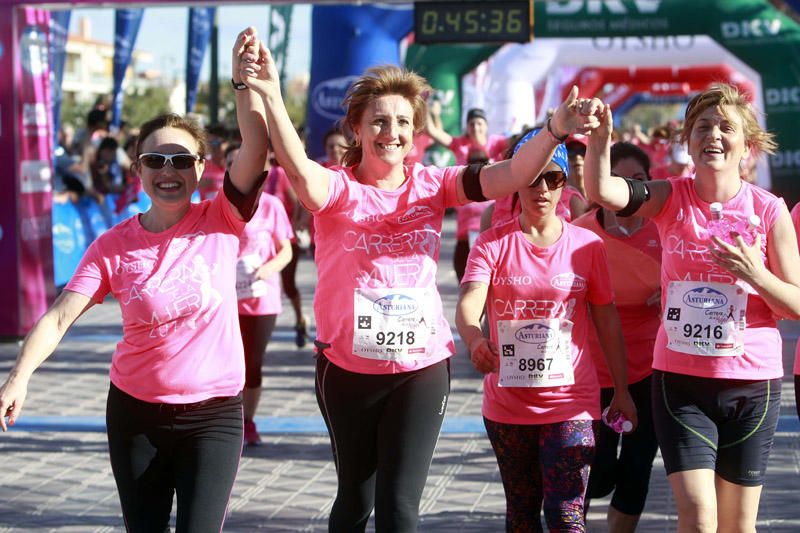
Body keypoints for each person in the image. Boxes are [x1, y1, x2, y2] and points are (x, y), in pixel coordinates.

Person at [238, 29, 602, 530]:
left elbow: (515, 173)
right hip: (347, 369)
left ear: (417, 132)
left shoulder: (435, 184)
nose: (393, 132)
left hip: (421, 367)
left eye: (404, 122)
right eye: (381, 121)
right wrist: (271, 93)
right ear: (359, 129)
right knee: (354, 500)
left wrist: (555, 129)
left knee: (400, 505)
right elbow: (299, 170)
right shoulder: (339, 189)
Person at [0, 28, 270, 531]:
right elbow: (60, 316)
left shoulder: (223, 216)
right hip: (135, 415)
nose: (168, 170)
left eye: (181, 160)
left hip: (212, 416)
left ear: (201, 168)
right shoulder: (112, 246)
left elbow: (256, 145)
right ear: (137, 170)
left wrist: (242, 82)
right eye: (154, 160)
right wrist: (19, 377)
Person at [583, 83, 800, 532]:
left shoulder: (769, 210)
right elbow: (604, 191)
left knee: (737, 526)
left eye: (726, 127)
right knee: (700, 518)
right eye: (703, 127)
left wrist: (756, 274)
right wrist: (600, 139)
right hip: (681, 383)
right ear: (688, 140)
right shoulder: (669, 197)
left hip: (752, 385)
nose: (713, 136)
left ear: (748, 145)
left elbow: (797, 304)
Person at [455, 127, 637, 532]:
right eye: (532, 177)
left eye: (552, 178)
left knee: (567, 515)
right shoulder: (491, 243)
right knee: (522, 514)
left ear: (563, 185)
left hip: (572, 402)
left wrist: (621, 389)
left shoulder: (587, 247)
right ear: (517, 182)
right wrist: (474, 337)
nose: (541, 188)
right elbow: (469, 302)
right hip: (507, 405)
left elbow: (607, 320)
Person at [573, 142, 661, 532]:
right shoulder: (579, 235)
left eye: (639, 180)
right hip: (595, 372)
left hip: (652, 371)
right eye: (618, 179)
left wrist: (676, 287)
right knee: (600, 472)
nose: (628, 188)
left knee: (637, 471)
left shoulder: (666, 230)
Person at [225, 143, 294, 446]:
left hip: (262, 299)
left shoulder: (271, 206)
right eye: (230, 163)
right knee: (228, 362)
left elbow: (287, 250)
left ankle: (247, 420)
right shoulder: (218, 205)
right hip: (226, 299)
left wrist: (267, 269)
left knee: (252, 363)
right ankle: (226, 423)